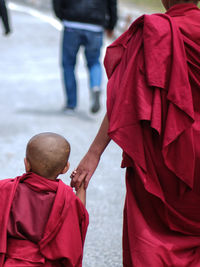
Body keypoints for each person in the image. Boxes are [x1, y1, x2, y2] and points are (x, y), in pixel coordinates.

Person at [71, 1, 200, 266]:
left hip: (161, 153)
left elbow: (125, 99)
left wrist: (93, 154)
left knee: (151, 235)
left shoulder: (154, 32)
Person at [0, 132, 88, 266]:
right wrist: (81, 188)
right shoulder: (67, 197)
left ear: (26, 164)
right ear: (65, 168)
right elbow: (78, 216)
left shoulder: (7, 189)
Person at [52, 0, 117, 114]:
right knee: (94, 62)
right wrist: (111, 25)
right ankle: (95, 86)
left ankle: (71, 105)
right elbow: (112, 3)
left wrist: (62, 16)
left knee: (68, 64)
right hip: (95, 26)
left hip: (72, 23)